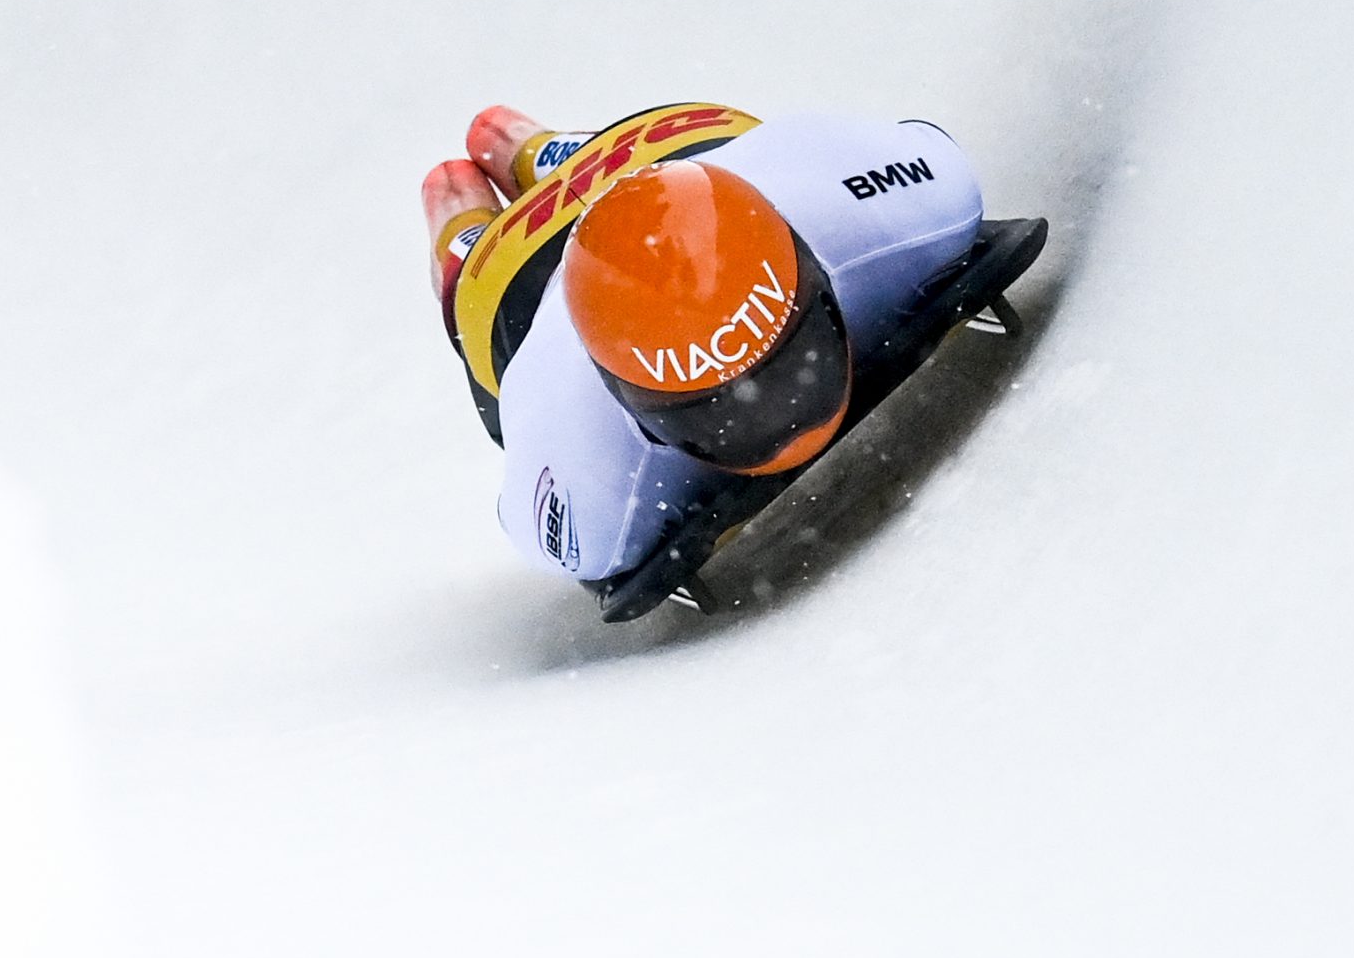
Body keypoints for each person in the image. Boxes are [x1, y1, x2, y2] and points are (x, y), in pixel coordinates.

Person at [422, 101, 991, 592]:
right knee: (477, 301)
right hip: (527, 270)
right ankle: (491, 212)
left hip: (699, 155)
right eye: (714, 410)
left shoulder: (922, 205)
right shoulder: (575, 460)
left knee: (483, 266)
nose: (785, 427)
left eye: (795, 355)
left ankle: (516, 169)